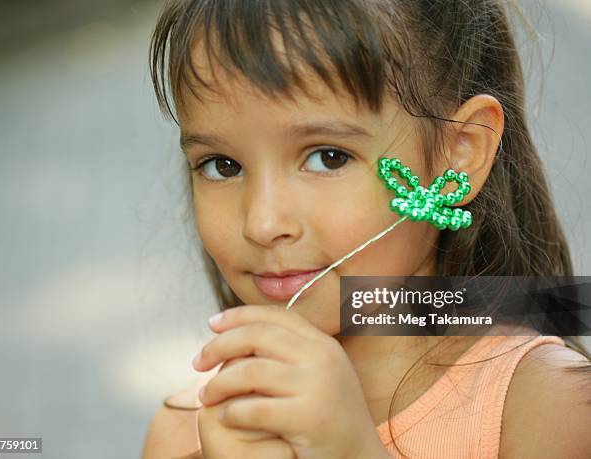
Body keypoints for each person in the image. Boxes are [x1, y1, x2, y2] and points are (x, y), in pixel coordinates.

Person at [141, 0, 591, 457]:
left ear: (460, 152)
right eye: (223, 165)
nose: (262, 223)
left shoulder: (547, 409)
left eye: (327, 157)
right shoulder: (183, 432)